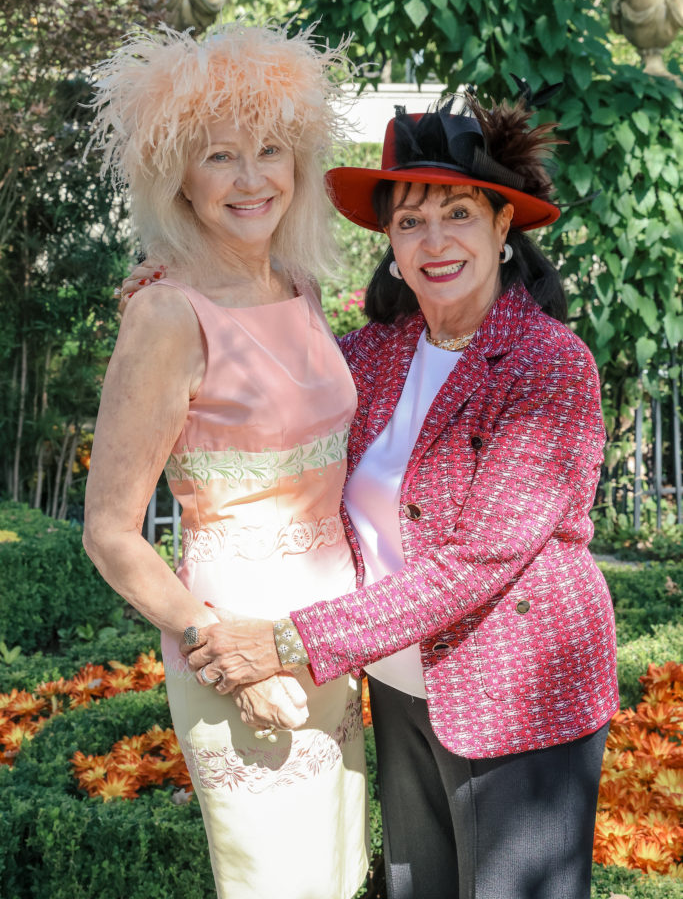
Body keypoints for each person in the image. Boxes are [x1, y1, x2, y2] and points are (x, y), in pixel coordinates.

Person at [177, 90, 620, 898]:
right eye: (409, 220)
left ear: (501, 226)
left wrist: (284, 641)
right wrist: (180, 285)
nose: (433, 239)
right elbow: (261, 355)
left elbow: (476, 562)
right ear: (387, 240)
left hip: (514, 687)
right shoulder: (375, 353)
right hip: (398, 682)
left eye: (456, 212)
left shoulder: (549, 365)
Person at [82, 23, 369, 899]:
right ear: (178, 175)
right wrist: (223, 654)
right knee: (274, 880)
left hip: (335, 633)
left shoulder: (302, 286)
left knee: (333, 870)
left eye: (271, 149)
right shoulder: (167, 315)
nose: (253, 179)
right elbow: (109, 534)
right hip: (238, 641)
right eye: (220, 156)